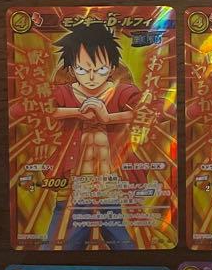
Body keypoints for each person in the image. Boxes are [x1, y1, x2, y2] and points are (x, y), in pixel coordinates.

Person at [43, 22, 144, 249]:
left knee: (121, 243)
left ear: (112, 67)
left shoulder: (120, 91)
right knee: (59, 244)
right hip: (73, 183)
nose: (91, 77)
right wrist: (77, 113)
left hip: (108, 182)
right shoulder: (64, 92)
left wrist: (108, 118)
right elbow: (38, 108)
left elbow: (149, 110)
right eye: (82, 69)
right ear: (71, 68)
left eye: (100, 70)